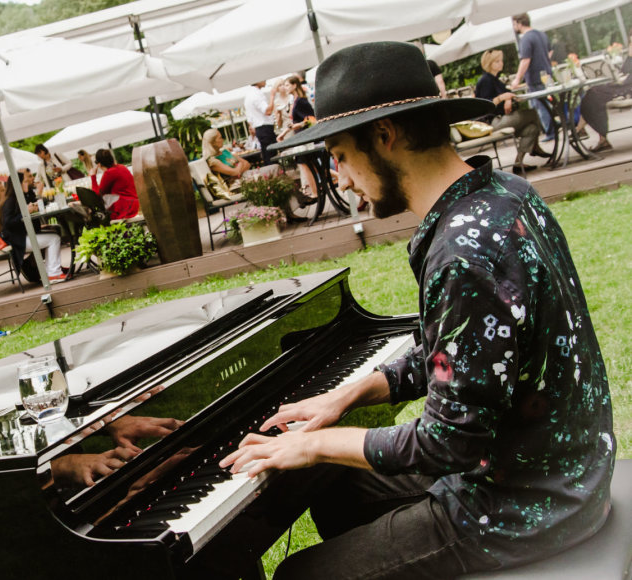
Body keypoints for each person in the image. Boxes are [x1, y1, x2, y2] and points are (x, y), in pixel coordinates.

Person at [221, 41, 613, 579]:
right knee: (340, 493)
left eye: (339, 155)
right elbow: (459, 356)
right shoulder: (503, 191)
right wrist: (348, 394)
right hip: (548, 463)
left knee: (298, 574)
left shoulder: (463, 253)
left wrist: (315, 446)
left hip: (527, 502)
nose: (339, 178)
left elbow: (448, 441)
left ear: (386, 135)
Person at [475, 49, 550, 175]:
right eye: (497, 61)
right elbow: (483, 105)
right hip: (493, 122)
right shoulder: (485, 80)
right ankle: (535, 148)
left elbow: (508, 95)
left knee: (531, 128)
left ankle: (518, 163)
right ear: (490, 63)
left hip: (502, 118)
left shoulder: (495, 79)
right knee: (532, 113)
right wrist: (502, 98)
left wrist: (510, 98)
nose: (501, 63)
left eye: (501, 61)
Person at [0, 179, 67, 283]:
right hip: (16, 240)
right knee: (54, 238)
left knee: (53, 233)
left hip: (19, 236)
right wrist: (26, 212)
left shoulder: (14, 199)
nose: (27, 184)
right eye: (24, 182)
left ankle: (51, 271)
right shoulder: (10, 201)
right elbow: (9, 223)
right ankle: (54, 274)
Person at [510, 12, 555, 141]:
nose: (514, 27)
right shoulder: (541, 34)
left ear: (518, 23)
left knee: (540, 105)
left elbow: (525, 60)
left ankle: (550, 132)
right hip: (547, 74)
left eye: (514, 24)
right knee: (548, 102)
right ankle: (553, 127)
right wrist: (543, 61)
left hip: (535, 77)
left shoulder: (526, 39)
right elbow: (550, 51)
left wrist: (517, 79)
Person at [276, 75, 320, 203]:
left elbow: (311, 119)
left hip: (305, 137)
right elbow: (294, 122)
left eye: (288, 85)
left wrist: (299, 125)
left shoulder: (301, 101)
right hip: (300, 136)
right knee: (309, 165)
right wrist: (283, 133)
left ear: (295, 85)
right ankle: (320, 189)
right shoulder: (294, 101)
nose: (285, 87)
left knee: (304, 163)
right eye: (285, 85)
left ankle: (315, 194)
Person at [90, 149, 140, 220]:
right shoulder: (122, 167)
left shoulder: (109, 173)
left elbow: (97, 195)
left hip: (125, 210)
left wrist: (93, 177)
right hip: (134, 205)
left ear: (99, 164)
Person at [244, 80, 279, 164]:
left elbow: (249, 118)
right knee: (272, 156)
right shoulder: (256, 94)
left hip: (260, 129)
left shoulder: (248, 95)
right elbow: (268, 111)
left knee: (267, 155)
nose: (265, 80)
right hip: (265, 128)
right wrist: (272, 95)